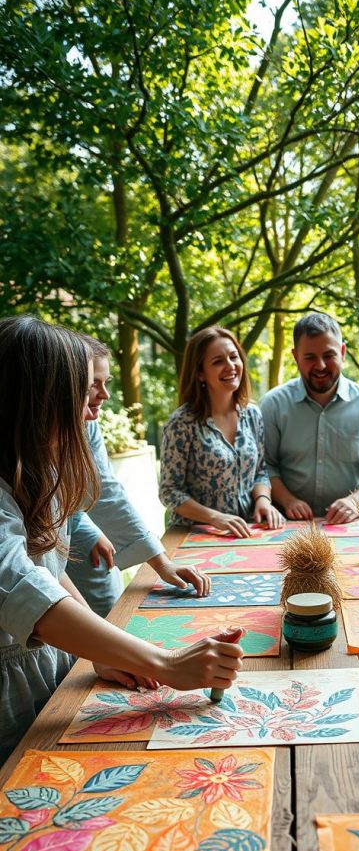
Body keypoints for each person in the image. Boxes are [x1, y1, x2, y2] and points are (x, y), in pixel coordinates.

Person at [0, 315, 243, 765]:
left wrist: (92, 654)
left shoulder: (41, 465)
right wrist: (165, 663)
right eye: (84, 388)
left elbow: (45, 573)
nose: (100, 401)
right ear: (39, 398)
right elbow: (24, 592)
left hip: (43, 676)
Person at [66, 334, 210, 617]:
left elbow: (100, 489)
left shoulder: (88, 423)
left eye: (106, 383)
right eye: (93, 384)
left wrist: (161, 563)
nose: (104, 394)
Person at [260, 311, 359, 523]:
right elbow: (263, 466)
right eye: (310, 357)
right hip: (284, 524)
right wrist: (288, 501)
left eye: (329, 355)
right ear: (296, 357)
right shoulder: (273, 404)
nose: (321, 365)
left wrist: (355, 501)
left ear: (342, 352)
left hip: (352, 526)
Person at [160, 325, 284, 537]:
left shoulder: (252, 415)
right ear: (200, 373)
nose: (230, 366)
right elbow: (169, 492)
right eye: (218, 362)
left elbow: (260, 472)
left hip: (245, 531)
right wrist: (215, 517)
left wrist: (263, 500)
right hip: (193, 534)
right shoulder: (182, 423)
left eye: (234, 357)